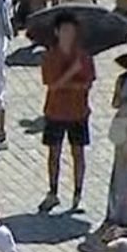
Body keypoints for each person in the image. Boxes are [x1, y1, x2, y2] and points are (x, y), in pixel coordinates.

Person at [39, 13, 95, 214]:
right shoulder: (51, 56)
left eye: (71, 31)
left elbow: (87, 83)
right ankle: (52, 191)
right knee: (53, 153)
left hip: (79, 112)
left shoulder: (84, 56)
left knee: (78, 153)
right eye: (64, 31)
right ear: (57, 32)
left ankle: (78, 194)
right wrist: (72, 74)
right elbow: (52, 85)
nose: (68, 35)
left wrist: (68, 82)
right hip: (55, 111)